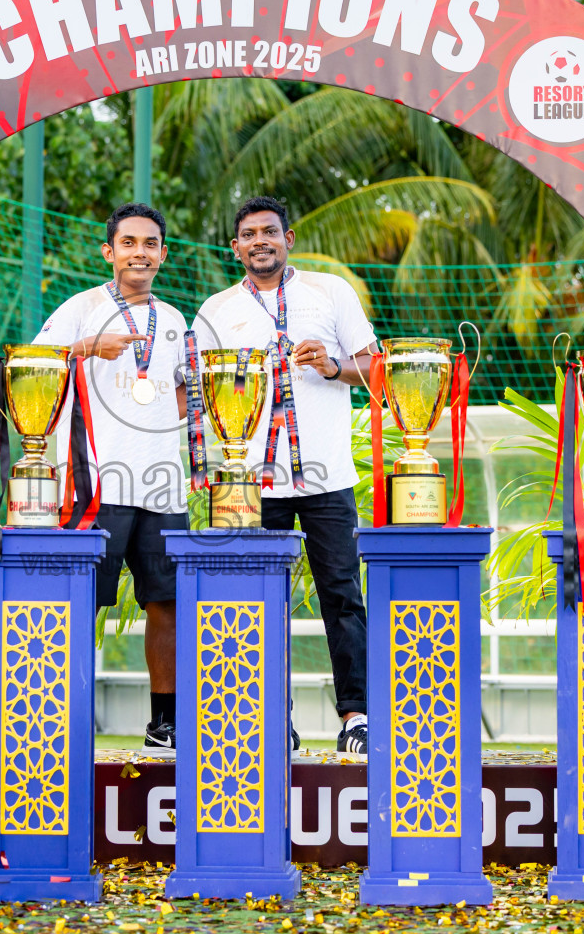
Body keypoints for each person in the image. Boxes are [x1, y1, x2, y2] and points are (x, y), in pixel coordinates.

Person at [195, 195, 377, 754]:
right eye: (248, 234)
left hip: (326, 478)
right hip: (249, 483)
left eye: (269, 231)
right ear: (235, 248)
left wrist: (331, 365)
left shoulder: (331, 293)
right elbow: (201, 397)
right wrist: (209, 473)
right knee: (254, 600)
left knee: (341, 595)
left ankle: (356, 717)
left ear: (288, 237)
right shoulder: (215, 311)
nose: (259, 242)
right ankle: (269, 720)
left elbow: (375, 367)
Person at [34, 203, 188, 751]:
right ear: (109, 251)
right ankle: (61, 720)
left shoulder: (173, 320)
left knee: (166, 603)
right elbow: (31, 364)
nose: (139, 252)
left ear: (163, 255)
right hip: (95, 482)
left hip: (163, 484)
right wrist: (86, 347)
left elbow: (180, 392)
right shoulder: (81, 308)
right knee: (80, 602)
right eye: (129, 243)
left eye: (150, 244)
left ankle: (163, 723)